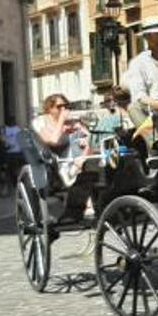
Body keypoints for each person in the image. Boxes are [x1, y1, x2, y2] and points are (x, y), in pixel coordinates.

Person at [32, 94, 93, 223]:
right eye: (59, 106)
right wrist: (62, 123)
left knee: (87, 151)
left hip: (73, 155)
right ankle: (84, 202)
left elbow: (89, 140)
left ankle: (91, 201)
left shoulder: (72, 120)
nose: (63, 109)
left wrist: (82, 134)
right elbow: (52, 141)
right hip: (51, 159)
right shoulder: (40, 121)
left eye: (66, 106)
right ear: (49, 108)